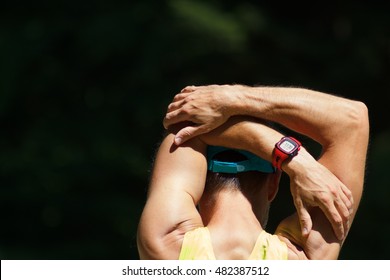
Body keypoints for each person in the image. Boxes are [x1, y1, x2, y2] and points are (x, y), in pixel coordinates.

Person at [137, 85, 369, 260]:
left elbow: (185, 129)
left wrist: (291, 158)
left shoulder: (166, 243)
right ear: (273, 184)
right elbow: (352, 120)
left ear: (198, 178)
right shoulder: (305, 259)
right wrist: (233, 98)